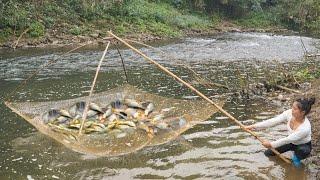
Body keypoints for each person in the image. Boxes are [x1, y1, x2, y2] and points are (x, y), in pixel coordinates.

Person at [245, 97, 315, 167]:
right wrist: (254, 126)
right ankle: (284, 164)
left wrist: (271, 144)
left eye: (295, 109)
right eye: (292, 107)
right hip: (291, 142)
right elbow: (273, 121)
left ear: (302, 112)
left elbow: (288, 139)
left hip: (303, 145)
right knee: (268, 153)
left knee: (295, 161)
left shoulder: (305, 128)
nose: (292, 110)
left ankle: (299, 169)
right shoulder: (289, 113)